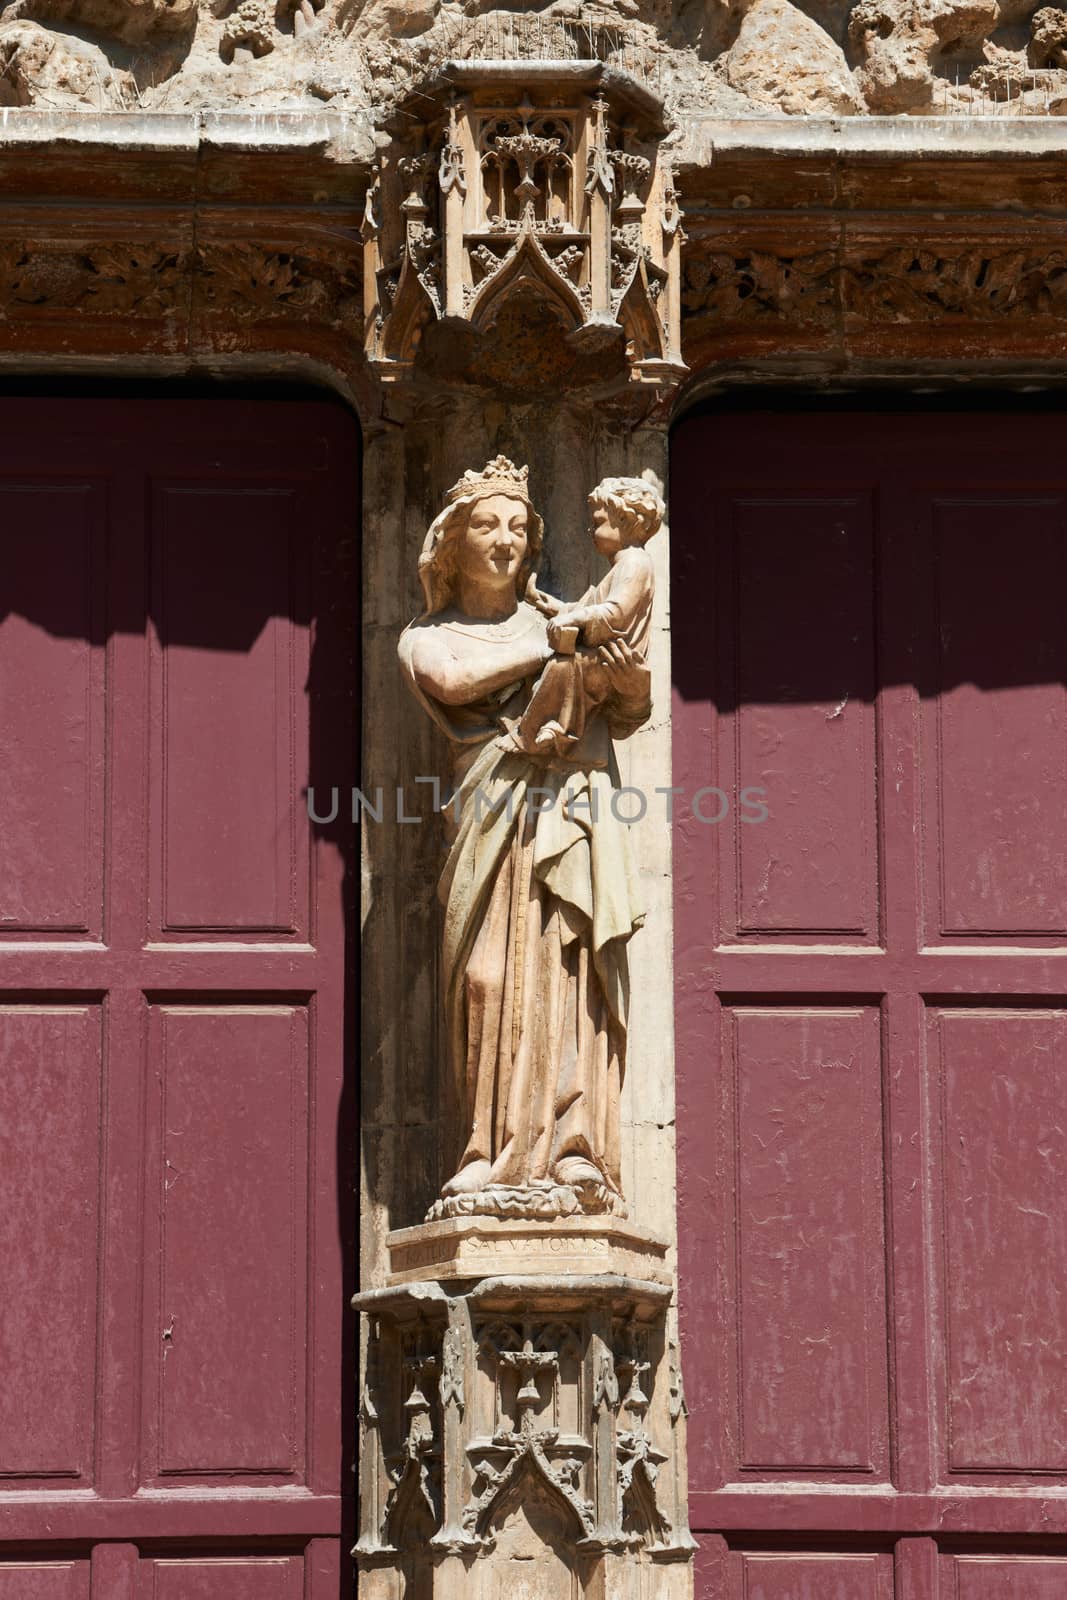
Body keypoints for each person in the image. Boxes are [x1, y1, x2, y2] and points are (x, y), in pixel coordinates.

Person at [397, 456, 651, 1216]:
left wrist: (618, 665)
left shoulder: (562, 615)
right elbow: (451, 684)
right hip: (487, 814)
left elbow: (629, 708)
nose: (504, 539)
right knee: (485, 980)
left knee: (566, 976)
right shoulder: (427, 634)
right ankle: (488, 1154)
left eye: (516, 527)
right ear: (453, 541)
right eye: (486, 525)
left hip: (563, 812)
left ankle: (572, 1157)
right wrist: (562, 643)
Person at [509, 475, 663, 758]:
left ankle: (540, 731)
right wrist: (543, 601)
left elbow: (614, 612)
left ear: (626, 521)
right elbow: (583, 609)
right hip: (602, 658)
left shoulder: (635, 562)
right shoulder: (622, 566)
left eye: (597, 523)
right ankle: (554, 726)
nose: (590, 530)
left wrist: (570, 620)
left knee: (561, 668)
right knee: (564, 668)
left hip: (611, 659)